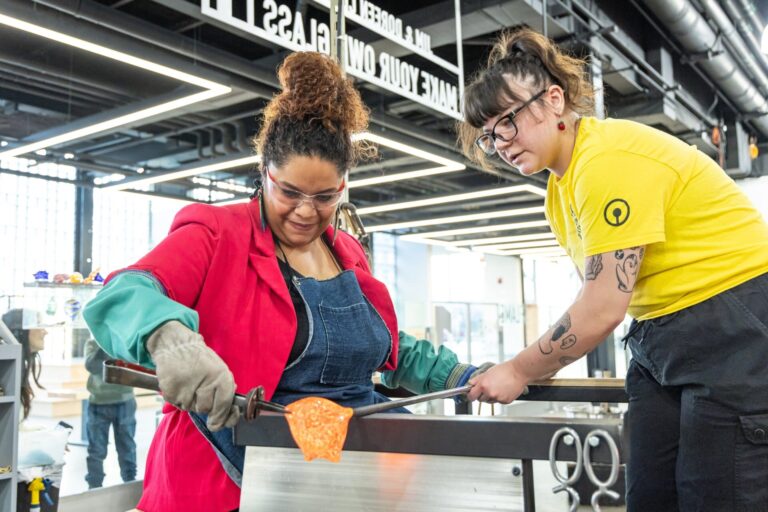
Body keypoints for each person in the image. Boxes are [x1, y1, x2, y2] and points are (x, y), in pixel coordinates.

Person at [83, 51, 486, 512]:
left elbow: (389, 348)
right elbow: (123, 292)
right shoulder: (217, 235)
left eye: (325, 197)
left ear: (344, 188)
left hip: (346, 475)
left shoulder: (347, 253)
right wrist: (169, 338)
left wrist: (463, 376)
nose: (305, 211)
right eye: (289, 192)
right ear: (264, 172)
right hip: (235, 476)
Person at [458, 27, 768, 512]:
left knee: (715, 496)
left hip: (732, 321)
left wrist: (520, 369)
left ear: (554, 100)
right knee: (649, 496)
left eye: (509, 121)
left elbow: (602, 307)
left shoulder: (605, 159)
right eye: (490, 134)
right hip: (659, 334)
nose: (500, 142)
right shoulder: (560, 192)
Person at [2, 309, 63, 512]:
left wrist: (48, 438)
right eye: (39, 325)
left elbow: (13, 424)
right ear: (21, 331)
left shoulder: (15, 372)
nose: (45, 332)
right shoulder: (7, 372)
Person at [83, 338, 137, 489]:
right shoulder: (93, 343)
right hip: (98, 402)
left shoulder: (125, 340)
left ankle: (130, 484)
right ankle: (94, 486)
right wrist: (105, 344)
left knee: (127, 446)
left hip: (124, 401)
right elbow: (92, 366)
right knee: (96, 449)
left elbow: (133, 364)